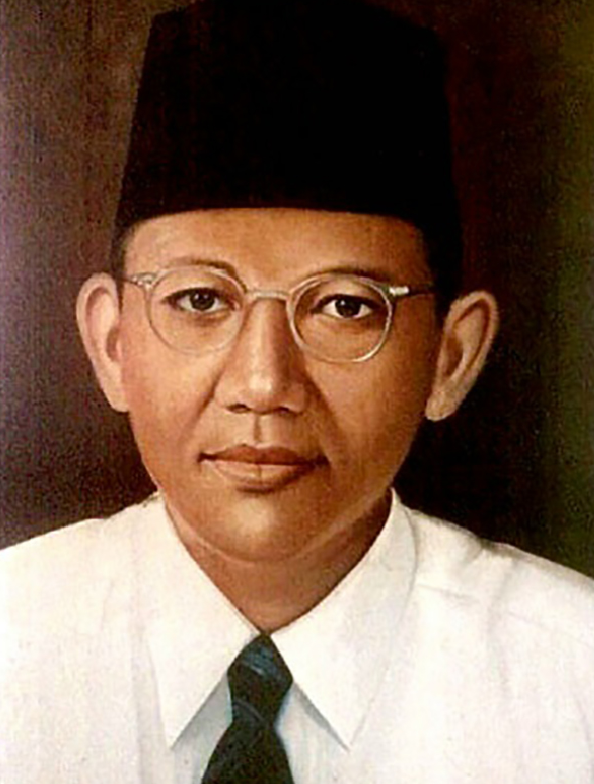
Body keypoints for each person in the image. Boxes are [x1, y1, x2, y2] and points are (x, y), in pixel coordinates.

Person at [1, 0, 593, 781]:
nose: (263, 384)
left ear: (451, 358)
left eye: (345, 307)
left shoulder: (574, 678)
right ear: (113, 344)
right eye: (200, 300)